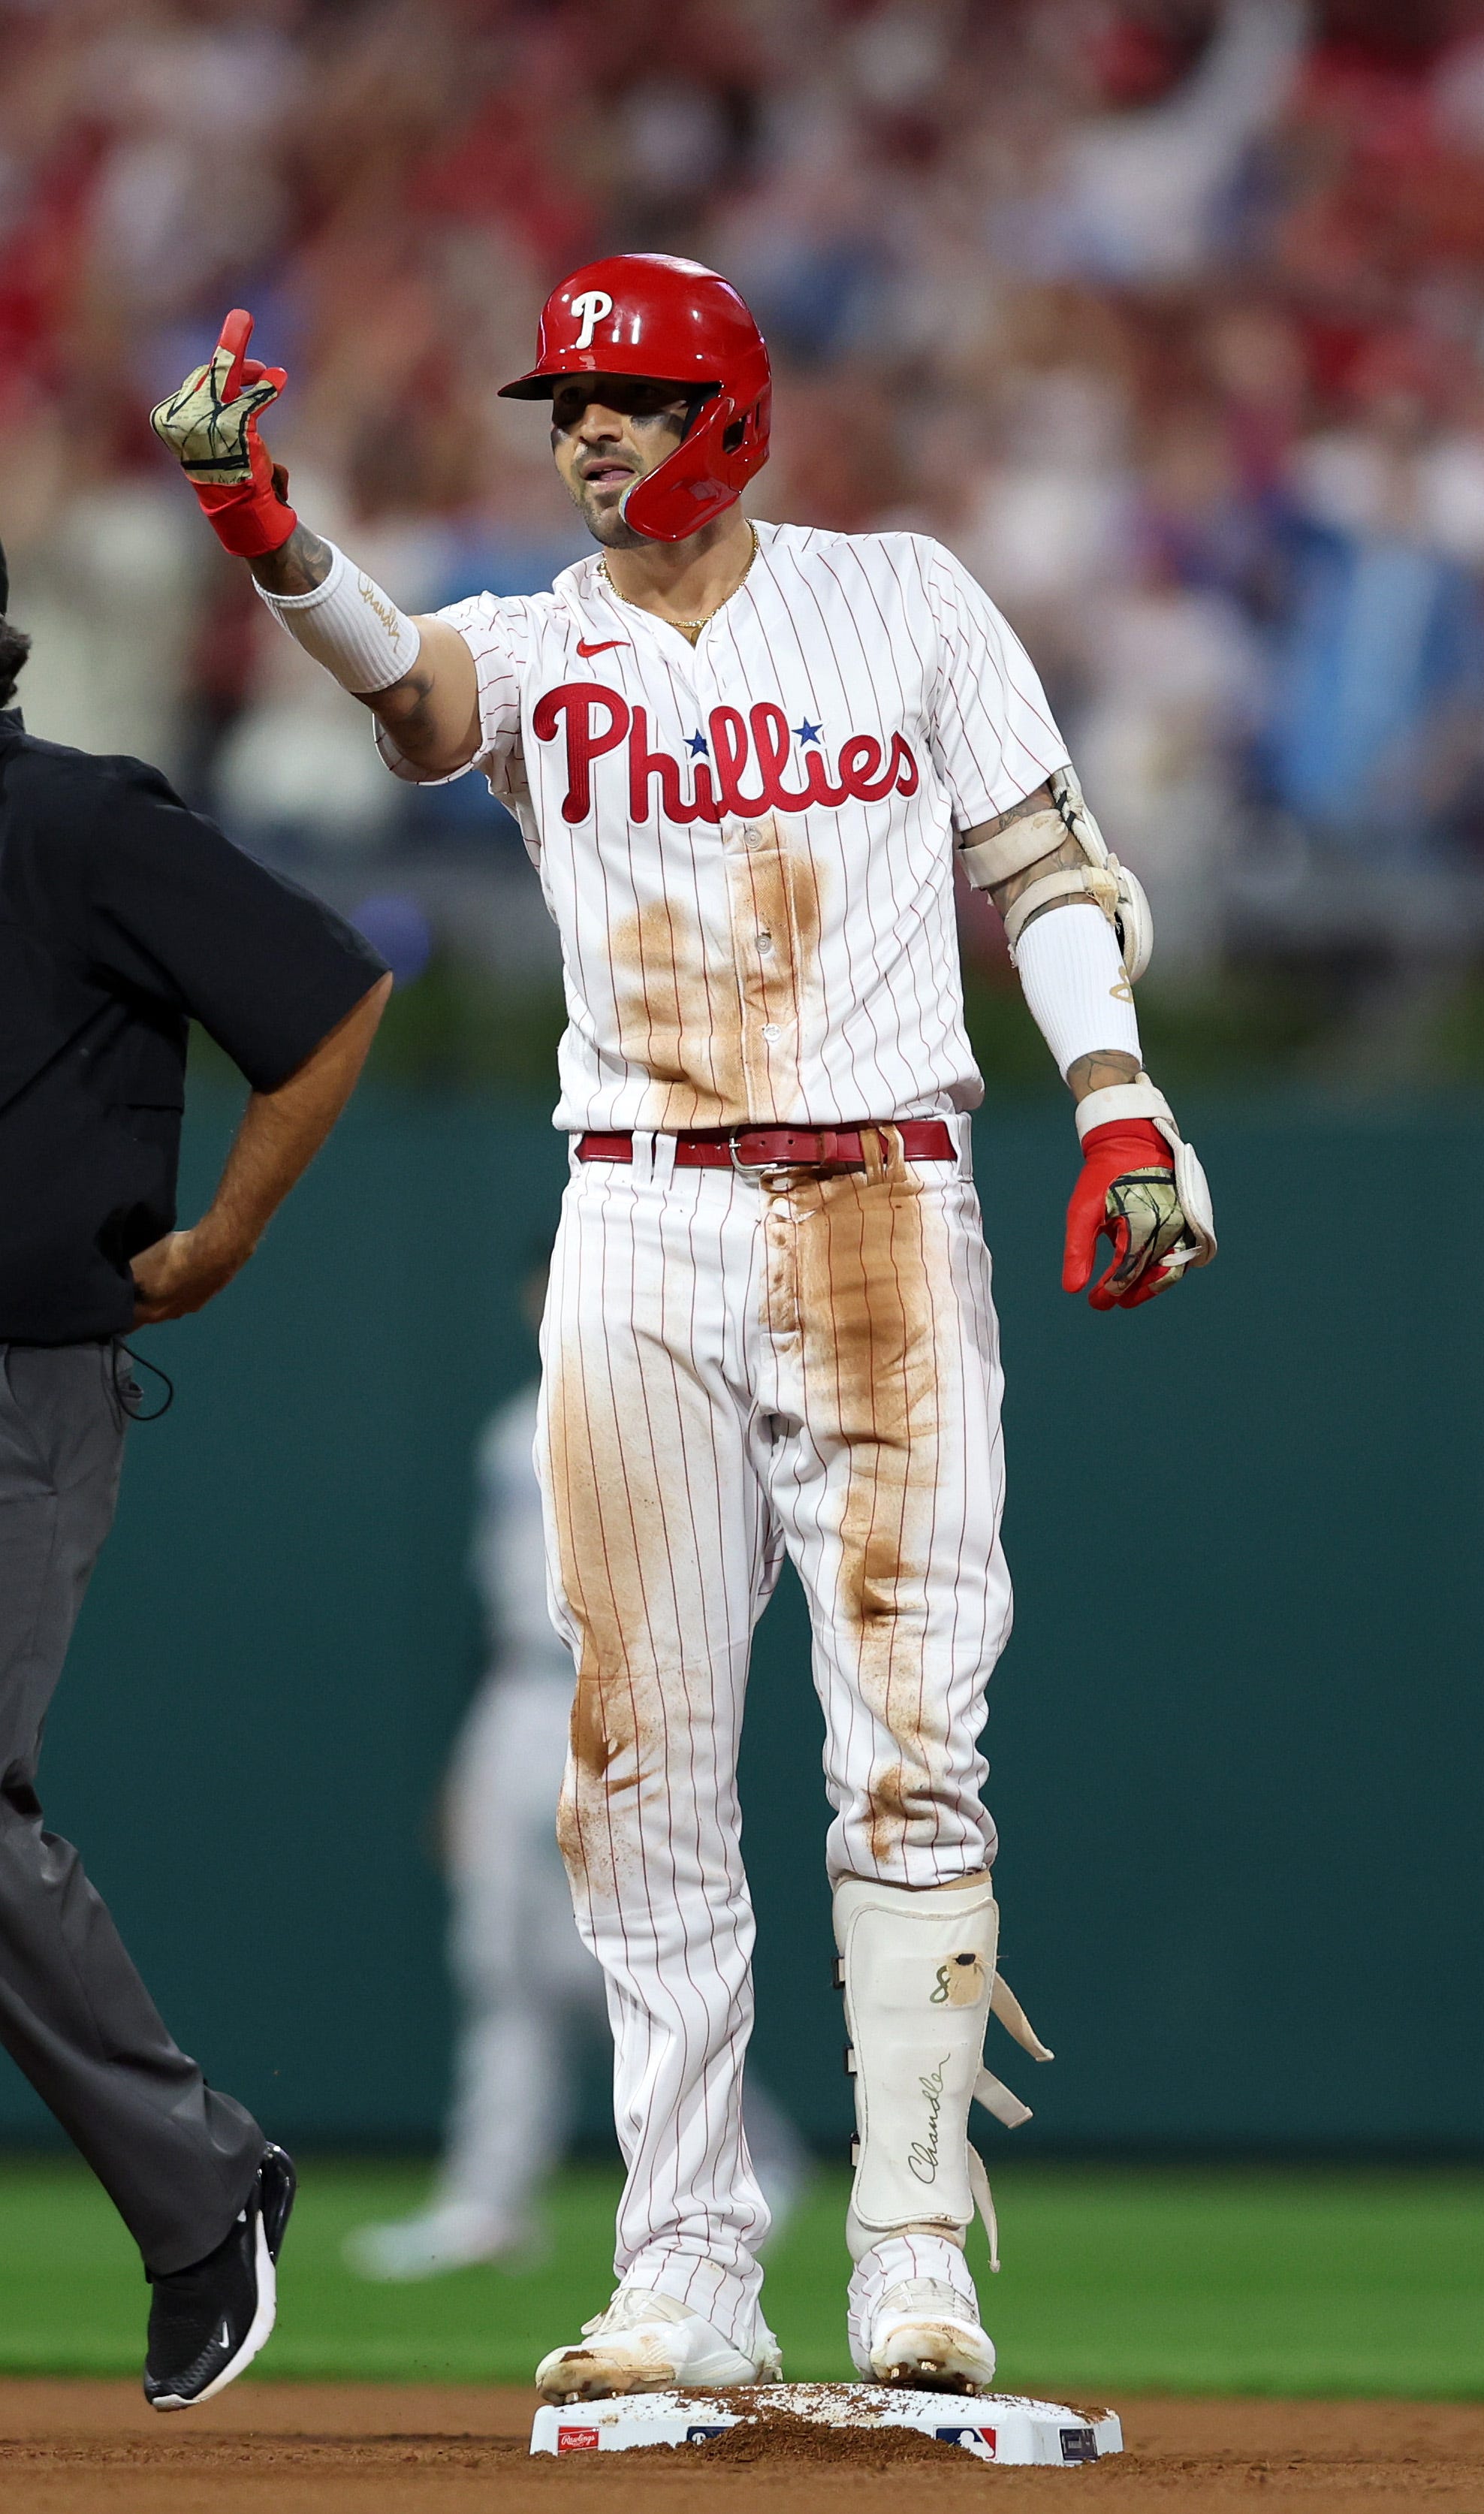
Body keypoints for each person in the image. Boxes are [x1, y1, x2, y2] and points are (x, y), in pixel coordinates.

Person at [151, 262, 1216, 2401]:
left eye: (625, 395)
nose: (588, 432)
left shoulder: (906, 598)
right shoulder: (545, 636)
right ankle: (682, 2261)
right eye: (567, 402)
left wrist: (1117, 1097)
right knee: (633, 1765)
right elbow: (424, 700)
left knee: (915, 1741)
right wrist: (277, 543)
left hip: (888, 1199)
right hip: (638, 1213)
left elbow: (1044, 858)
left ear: (726, 403)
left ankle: (918, 2251)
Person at [0, 544, 390, 2407]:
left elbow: (325, 999)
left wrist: (228, 1229)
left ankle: (200, 2186)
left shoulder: (80, 821)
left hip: (19, 1386)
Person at [345, 1263, 809, 2281]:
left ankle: (748, 2159)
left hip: (621, 1688)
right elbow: (490, 1607)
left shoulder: (672, 1407)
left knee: (636, 1952)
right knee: (501, 1959)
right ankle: (487, 2201)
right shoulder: (511, 1427)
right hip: (516, 1695)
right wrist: (465, 1761)